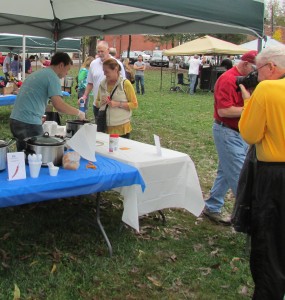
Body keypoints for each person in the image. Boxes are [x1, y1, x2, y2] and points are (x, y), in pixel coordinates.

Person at [239, 45, 285, 299]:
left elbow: (250, 134)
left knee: (269, 242)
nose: (257, 76)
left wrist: (248, 103)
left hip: (275, 175)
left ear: (271, 67)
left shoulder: (268, 89)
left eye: (259, 70)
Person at [203, 50, 258, 225]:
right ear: (246, 64)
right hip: (227, 131)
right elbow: (224, 111)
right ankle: (248, 219)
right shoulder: (227, 79)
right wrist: (251, 110)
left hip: (240, 132)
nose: (257, 74)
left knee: (226, 171)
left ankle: (212, 206)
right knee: (241, 176)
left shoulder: (250, 80)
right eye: (255, 69)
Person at [10, 52, 85, 151]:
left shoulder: (40, 73)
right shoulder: (52, 77)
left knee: (24, 154)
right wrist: (79, 113)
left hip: (16, 119)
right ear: (61, 65)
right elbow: (59, 105)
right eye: (67, 69)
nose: (67, 73)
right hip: (27, 123)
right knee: (37, 155)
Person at [79, 40, 125, 121]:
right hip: (97, 104)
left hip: (112, 104)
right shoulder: (93, 64)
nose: (100, 53)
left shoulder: (117, 64)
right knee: (99, 129)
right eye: (98, 51)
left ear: (108, 50)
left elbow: (123, 84)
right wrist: (85, 96)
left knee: (111, 129)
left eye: (102, 51)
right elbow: (90, 83)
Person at [96, 58, 138, 138]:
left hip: (121, 127)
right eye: (103, 71)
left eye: (107, 71)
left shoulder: (125, 84)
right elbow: (97, 102)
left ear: (115, 69)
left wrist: (117, 104)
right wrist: (101, 102)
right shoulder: (102, 84)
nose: (104, 74)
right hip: (105, 126)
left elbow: (134, 104)